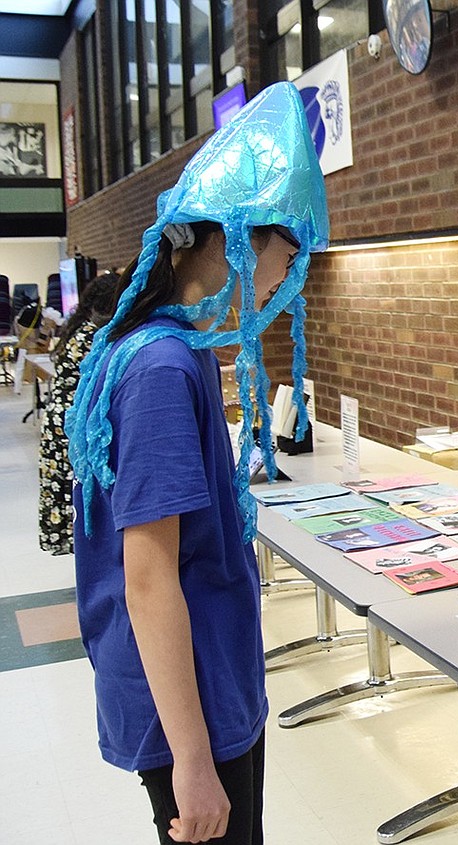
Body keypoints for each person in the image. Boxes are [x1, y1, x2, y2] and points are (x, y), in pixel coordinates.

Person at [66, 82, 328, 844]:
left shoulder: (155, 349)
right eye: (284, 254)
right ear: (235, 238)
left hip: (201, 685)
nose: (284, 277)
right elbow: (148, 575)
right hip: (192, 705)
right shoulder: (161, 369)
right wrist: (191, 757)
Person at [38, 272, 119, 554]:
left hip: (60, 419)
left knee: (64, 488)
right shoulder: (95, 336)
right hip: (72, 422)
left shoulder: (78, 328)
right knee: (76, 490)